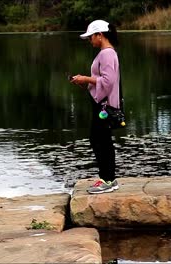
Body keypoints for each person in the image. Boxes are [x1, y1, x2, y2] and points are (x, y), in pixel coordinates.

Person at [70, 19, 121, 194]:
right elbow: (104, 81)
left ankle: (107, 180)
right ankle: (108, 178)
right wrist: (86, 82)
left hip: (104, 107)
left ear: (100, 35)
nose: (90, 40)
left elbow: (108, 81)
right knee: (100, 140)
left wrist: (86, 79)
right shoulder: (106, 53)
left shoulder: (106, 54)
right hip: (101, 104)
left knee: (101, 141)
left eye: (91, 36)